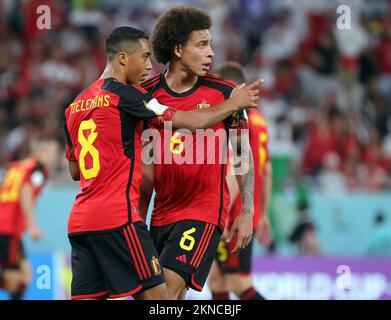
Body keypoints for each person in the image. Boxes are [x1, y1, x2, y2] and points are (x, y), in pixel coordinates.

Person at [64, 26, 260, 300]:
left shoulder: (74, 106)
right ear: (122, 58)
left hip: (81, 223)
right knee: (161, 299)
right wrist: (232, 104)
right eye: (144, 57)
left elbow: (76, 170)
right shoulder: (131, 96)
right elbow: (189, 120)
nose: (149, 65)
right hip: (118, 217)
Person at [141, 7, 257, 300]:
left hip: (204, 212)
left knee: (162, 294)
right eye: (202, 45)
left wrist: (247, 210)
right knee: (168, 299)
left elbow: (242, 153)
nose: (212, 53)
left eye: (211, 44)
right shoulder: (147, 95)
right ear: (178, 49)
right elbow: (142, 167)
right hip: (161, 214)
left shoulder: (226, 93)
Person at [207, 62, 273, 300]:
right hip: (248, 212)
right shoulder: (260, 121)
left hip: (233, 215)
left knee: (238, 281)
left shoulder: (235, 120)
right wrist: (263, 213)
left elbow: (236, 168)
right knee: (216, 279)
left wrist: (222, 214)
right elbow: (267, 169)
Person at [0, 139, 59, 300]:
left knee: (25, 274)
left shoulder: (15, 166)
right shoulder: (38, 170)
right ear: (43, 152)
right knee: (15, 278)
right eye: (54, 153)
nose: (55, 158)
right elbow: (26, 191)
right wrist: (32, 225)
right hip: (8, 228)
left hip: (6, 226)